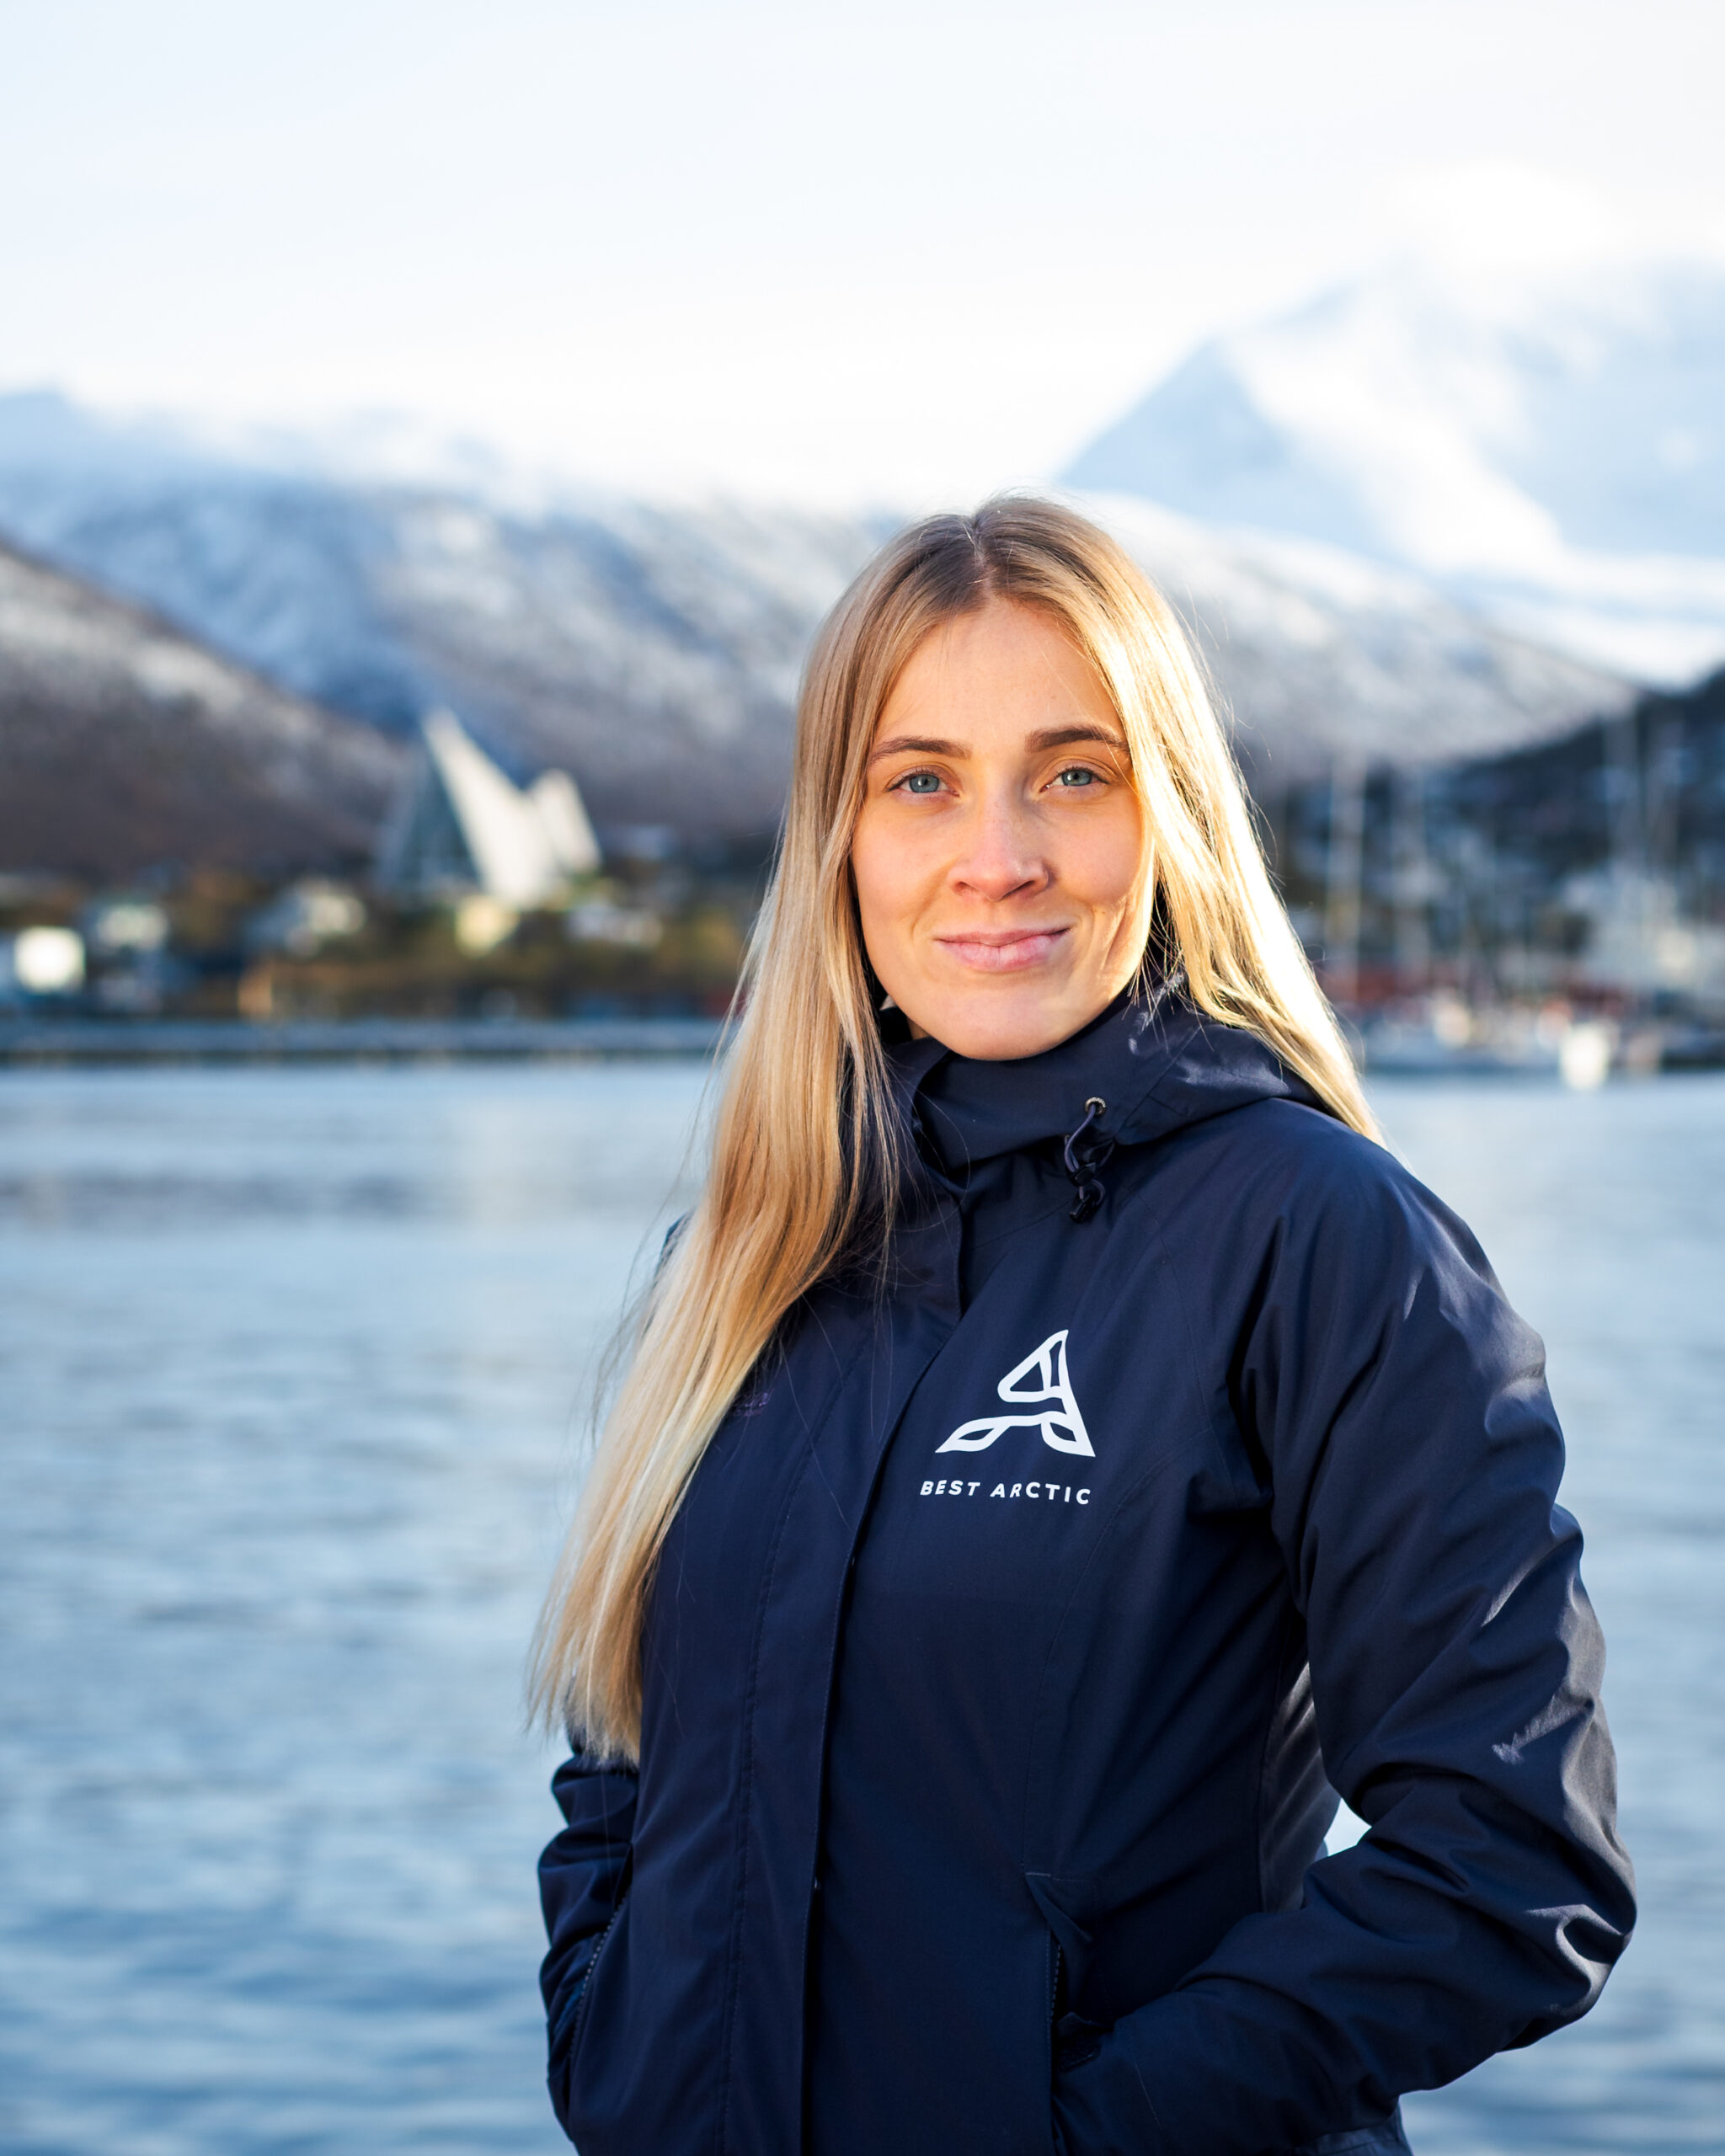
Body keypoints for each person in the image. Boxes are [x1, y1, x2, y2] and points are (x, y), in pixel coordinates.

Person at [531, 498, 1634, 2155]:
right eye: (920, 779)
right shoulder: (752, 1251)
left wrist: (1083, 2134)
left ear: (1168, 812)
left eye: (1072, 771)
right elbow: (628, 1753)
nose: (998, 853)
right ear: (837, 834)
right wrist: (616, 2040)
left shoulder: (1316, 1233)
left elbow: (1507, 1855)